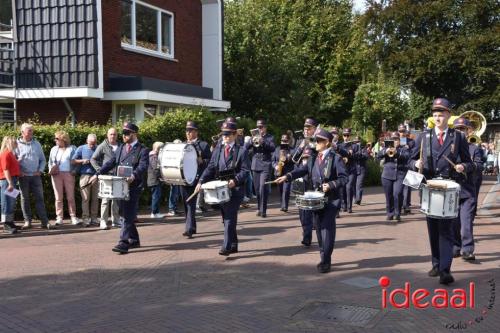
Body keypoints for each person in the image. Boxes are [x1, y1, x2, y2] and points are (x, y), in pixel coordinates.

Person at [409, 98, 474, 285]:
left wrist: (462, 166)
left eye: (441, 114)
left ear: (448, 115)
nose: (438, 117)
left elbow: (469, 162)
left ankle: (445, 269)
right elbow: (409, 160)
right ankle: (436, 263)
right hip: (429, 188)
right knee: (433, 229)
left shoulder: (458, 137)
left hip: (449, 190)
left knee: (446, 230)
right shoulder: (424, 136)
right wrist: (415, 163)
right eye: (435, 114)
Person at [276, 129, 347, 273]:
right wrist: (287, 176)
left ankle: (326, 261)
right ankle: (323, 254)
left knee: (327, 229)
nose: (316, 143)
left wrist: (331, 185)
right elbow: (302, 170)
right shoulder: (314, 157)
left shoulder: (335, 158)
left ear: (327, 142)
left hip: (331, 200)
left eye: (318, 141)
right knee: (319, 230)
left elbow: (344, 178)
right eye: (315, 140)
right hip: (316, 199)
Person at [90, 122, 149, 254]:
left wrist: (134, 175)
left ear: (134, 134)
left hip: (133, 186)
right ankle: (134, 239)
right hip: (120, 185)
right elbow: (111, 162)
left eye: (127, 133)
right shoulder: (122, 148)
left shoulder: (142, 150)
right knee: (124, 213)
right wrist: (98, 173)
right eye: (123, 133)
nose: (123, 136)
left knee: (126, 214)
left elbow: (143, 166)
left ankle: (123, 242)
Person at [195, 121, 250, 256]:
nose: (225, 137)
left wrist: (235, 180)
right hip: (221, 189)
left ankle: (226, 247)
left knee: (229, 217)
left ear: (234, 134)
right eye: (223, 134)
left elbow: (245, 170)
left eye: (228, 134)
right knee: (226, 216)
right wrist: (201, 181)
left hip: (235, 189)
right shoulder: (219, 149)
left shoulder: (242, 151)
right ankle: (234, 244)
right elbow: (211, 167)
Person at [452, 117, 483, 261]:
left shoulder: (474, 148)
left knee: (466, 222)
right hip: (452, 191)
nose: (460, 131)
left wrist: (466, 167)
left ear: (468, 130)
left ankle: (468, 249)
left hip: (468, 190)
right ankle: (456, 247)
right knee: (454, 223)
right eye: (457, 129)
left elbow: (478, 165)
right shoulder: (450, 148)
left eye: (463, 129)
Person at [16, 123, 51, 230]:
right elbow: (12, 162)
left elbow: (43, 160)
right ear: (22, 132)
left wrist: (40, 171)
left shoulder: (37, 144)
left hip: (36, 177)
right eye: (29, 130)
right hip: (22, 177)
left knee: (40, 198)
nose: (31, 132)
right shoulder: (16, 144)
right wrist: (19, 172)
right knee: (24, 199)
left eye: (32, 130)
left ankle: (45, 222)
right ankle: (27, 221)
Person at [180, 121, 211, 238]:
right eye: (187, 131)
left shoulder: (203, 145)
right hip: (184, 177)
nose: (188, 133)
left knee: (190, 203)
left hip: (196, 177)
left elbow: (210, 161)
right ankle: (191, 227)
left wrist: (202, 161)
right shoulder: (182, 145)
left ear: (196, 132)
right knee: (186, 202)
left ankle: (189, 229)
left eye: (190, 131)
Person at [294, 118, 319, 244]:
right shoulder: (300, 141)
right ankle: (305, 231)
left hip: (310, 178)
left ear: (314, 128)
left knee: (308, 208)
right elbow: (293, 159)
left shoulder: (317, 141)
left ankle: (307, 236)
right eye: (305, 128)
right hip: (299, 179)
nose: (306, 130)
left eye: (309, 128)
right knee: (301, 209)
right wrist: (301, 148)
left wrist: (311, 149)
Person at [91, 127, 121, 230]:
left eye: (114, 134)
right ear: (107, 135)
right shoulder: (102, 146)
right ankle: (103, 222)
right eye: (111, 134)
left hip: (118, 176)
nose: (113, 136)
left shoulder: (121, 146)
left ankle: (116, 220)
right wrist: (100, 170)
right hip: (106, 176)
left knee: (116, 199)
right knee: (105, 199)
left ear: (117, 135)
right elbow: (93, 159)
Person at [245, 119, 275, 218]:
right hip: (255, 165)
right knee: (257, 189)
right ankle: (259, 207)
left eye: (261, 127)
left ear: (265, 127)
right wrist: (251, 140)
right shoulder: (253, 137)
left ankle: (263, 210)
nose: (259, 129)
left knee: (263, 187)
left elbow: (272, 148)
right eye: (258, 127)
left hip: (265, 164)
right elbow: (245, 148)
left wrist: (263, 142)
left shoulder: (270, 137)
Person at [377, 131, 410, 221]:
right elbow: (378, 156)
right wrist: (385, 151)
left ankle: (397, 213)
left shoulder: (404, 148)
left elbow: (407, 157)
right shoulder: (386, 147)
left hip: (400, 174)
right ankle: (390, 213)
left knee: (398, 193)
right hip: (387, 174)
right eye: (393, 139)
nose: (395, 141)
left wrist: (397, 153)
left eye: (396, 139)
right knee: (389, 196)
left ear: (399, 140)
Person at [48, 131, 79, 226]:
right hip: (56, 175)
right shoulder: (53, 149)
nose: (55, 140)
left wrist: (75, 171)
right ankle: (59, 217)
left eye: (57, 138)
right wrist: (51, 170)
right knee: (58, 197)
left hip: (69, 174)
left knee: (70, 197)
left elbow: (77, 160)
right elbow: (50, 162)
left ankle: (73, 216)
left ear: (63, 139)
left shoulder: (72, 148)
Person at [72, 134, 99, 227]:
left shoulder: (99, 148)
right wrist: (83, 160)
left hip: (96, 176)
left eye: (94, 144)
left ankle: (94, 218)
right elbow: (73, 160)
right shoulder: (81, 148)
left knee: (95, 199)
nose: (92, 146)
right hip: (85, 175)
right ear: (87, 140)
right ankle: (86, 218)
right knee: (85, 199)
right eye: (91, 143)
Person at [1, 136, 21, 234]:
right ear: (10, 143)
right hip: (7, 181)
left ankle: (10, 221)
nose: (16, 143)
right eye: (15, 142)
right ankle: (6, 224)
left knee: (11, 202)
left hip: (12, 180)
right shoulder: (6, 154)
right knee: (6, 202)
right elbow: (5, 169)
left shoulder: (11, 153)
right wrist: (10, 183)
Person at [338, 128, 359, 213]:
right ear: (342, 136)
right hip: (343, 169)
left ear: (350, 136)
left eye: (348, 135)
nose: (346, 137)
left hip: (351, 169)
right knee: (342, 188)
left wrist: (351, 154)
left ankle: (349, 207)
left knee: (349, 187)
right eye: (344, 135)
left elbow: (358, 156)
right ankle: (344, 206)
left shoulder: (354, 146)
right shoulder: (340, 146)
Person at [272, 134, 295, 212]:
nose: (284, 142)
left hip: (287, 172)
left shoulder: (292, 150)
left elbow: (295, 161)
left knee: (286, 189)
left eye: (285, 141)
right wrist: (275, 166)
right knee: (281, 190)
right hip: (278, 172)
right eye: (282, 141)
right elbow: (273, 161)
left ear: (288, 141)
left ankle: (285, 206)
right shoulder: (277, 149)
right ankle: (282, 204)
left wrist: (290, 158)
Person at [398, 124, 415, 215]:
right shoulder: (395, 141)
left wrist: (406, 145)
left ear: (406, 132)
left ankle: (406, 206)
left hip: (408, 166)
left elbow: (414, 153)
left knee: (407, 187)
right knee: (399, 188)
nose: (402, 133)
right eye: (400, 132)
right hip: (398, 168)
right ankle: (399, 206)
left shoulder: (411, 142)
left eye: (403, 131)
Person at [147, 141, 164, 219]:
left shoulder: (154, 156)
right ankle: (154, 212)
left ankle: (156, 211)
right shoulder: (153, 156)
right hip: (154, 180)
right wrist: (161, 176)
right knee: (155, 197)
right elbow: (155, 168)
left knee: (157, 196)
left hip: (154, 180)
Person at [354, 136, 369, 205]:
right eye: (356, 142)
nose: (357, 143)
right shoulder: (352, 148)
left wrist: (360, 154)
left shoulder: (363, 148)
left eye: (358, 142)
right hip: (353, 169)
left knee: (359, 185)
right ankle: (355, 198)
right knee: (353, 185)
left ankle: (358, 199)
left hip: (361, 168)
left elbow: (366, 156)